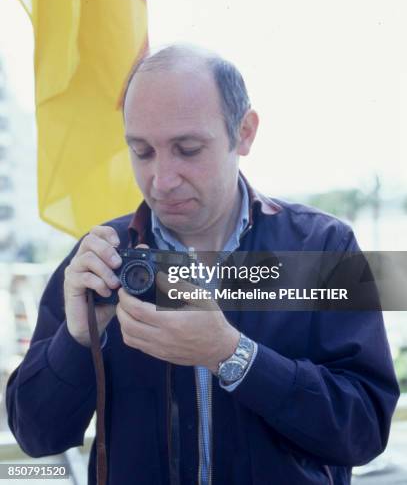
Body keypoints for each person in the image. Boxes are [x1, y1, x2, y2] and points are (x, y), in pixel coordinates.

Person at [6, 45, 400, 484]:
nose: (162, 179)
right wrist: (77, 340)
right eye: (142, 151)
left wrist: (233, 356)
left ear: (244, 132)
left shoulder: (323, 248)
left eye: (188, 149)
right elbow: (36, 435)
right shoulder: (102, 259)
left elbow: (365, 429)